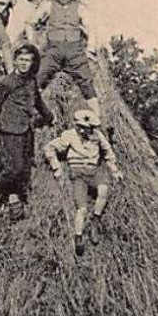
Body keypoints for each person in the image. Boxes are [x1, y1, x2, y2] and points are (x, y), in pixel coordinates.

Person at [0, 42, 53, 222]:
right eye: (21, 59)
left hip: (25, 130)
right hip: (9, 130)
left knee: (23, 167)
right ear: (15, 60)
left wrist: (48, 116)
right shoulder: (6, 83)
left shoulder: (31, 81)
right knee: (12, 168)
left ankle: (14, 199)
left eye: (28, 60)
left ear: (33, 63)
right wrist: (10, 117)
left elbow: (37, 101)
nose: (24, 63)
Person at [43, 108, 122, 253]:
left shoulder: (97, 136)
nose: (81, 131)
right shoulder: (70, 135)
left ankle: (96, 221)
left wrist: (114, 170)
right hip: (78, 174)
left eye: (85, 128)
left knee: (103, 190)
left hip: (93, 171)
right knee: (82, 208)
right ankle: (78, 236)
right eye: (79, 127)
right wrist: (57, 167)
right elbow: (49, 148)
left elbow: (108, 152)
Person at [31, 0, 103, 122]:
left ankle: (97, 116)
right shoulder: (47, 6)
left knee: (85, 78)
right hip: (53, 48)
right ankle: (31, 109)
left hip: (74, 49)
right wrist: (35, 45)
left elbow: (91, 29)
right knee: (40, 74)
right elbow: (31, 22)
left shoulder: (81, 8)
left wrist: (90, 49)